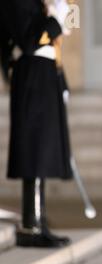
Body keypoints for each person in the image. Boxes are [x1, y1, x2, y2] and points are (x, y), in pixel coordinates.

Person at [0, 0, 72, 247]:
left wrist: (61, 83)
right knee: (35, 150)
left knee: (42, 149)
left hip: (43, 73)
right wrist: (56, 21)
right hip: (32, 74)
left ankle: (37, 222)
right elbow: (30, 41)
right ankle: (32, 225)